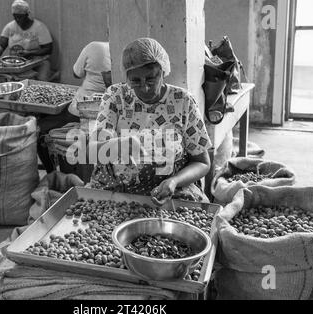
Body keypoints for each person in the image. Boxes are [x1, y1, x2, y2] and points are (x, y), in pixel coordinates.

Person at [86, 37, 212, 203]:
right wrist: (122, 144)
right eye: (135, 81)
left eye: (151, 79)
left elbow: (202, 163)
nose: (144, 88)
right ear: (127, 77)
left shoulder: (182, 101)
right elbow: (92, 151)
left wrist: (174, 181)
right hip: (117, 186)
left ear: (163, 72)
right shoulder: (115, 97)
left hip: (169, 190)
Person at [37, 41, 111, 173]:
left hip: (81, 112)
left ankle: (51, 173)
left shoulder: (94, 47)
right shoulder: (124, 51)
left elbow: (76, 73)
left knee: (38, 130)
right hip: (104, 113)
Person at [0, 0, 54, 81]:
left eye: (20, 17)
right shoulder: (10, 27)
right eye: (15, 17)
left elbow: (48, 49)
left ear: (27, 15)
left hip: (37, 62)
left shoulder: (39, 27)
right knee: (3, 78)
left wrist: (30, 53)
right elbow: (2, 44)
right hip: (16, 63)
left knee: (42, 79)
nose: (17, 19)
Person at [68, 41, 111, 117]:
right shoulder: (130, 51)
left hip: (83, 108)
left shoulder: (94, 46)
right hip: (110, 113)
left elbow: (77, 74)